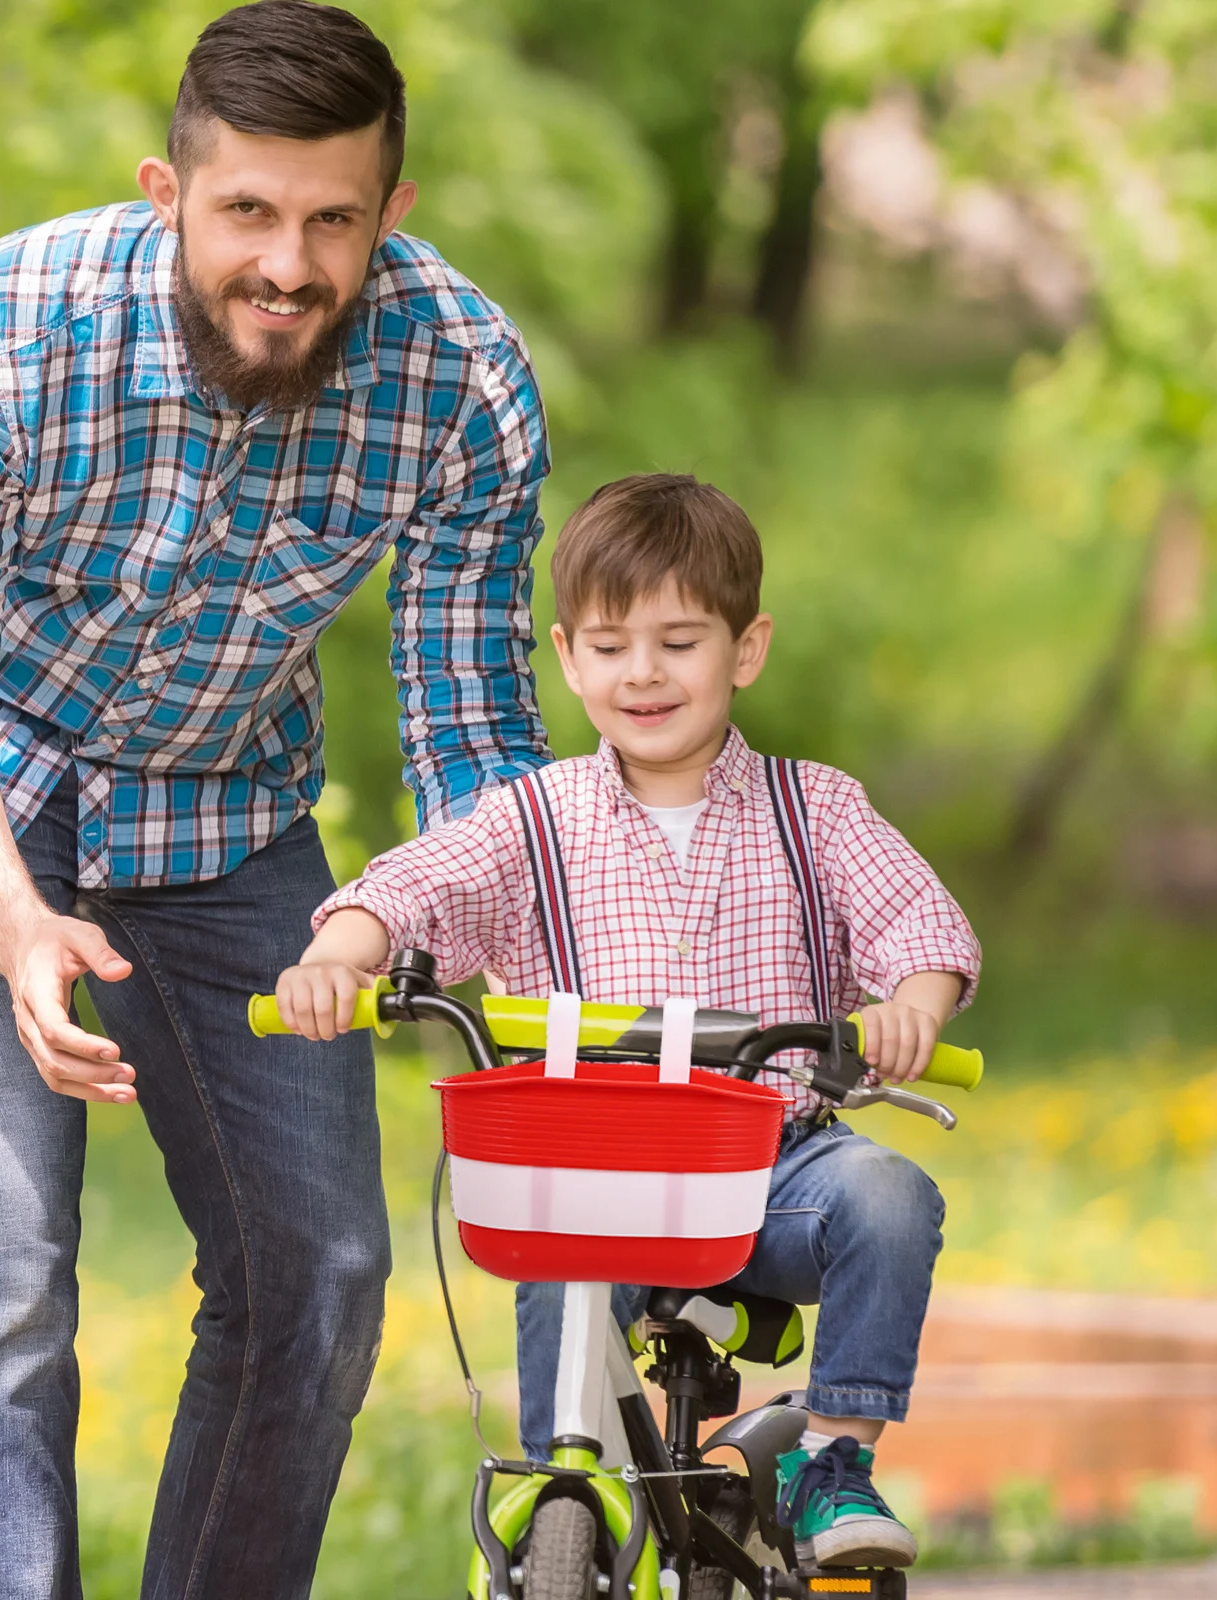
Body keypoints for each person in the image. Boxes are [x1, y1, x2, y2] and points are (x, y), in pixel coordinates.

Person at [0, 3, 551, 1595]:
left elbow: (469, 725)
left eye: (332, 221)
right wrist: (16, 921)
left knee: (324, 1273)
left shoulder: (463, 384)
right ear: (169, 193)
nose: (287, 264)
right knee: (9, 1250)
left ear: (392, 213)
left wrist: (516, 944)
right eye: (247, 212)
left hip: (228, 800)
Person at [274, 472, 982, 1570]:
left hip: (767, 1172)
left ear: (745, 650)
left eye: (679, 642)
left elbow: (920, 927)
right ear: (568, 657)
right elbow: (418, 886)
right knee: (558, 1261)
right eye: (610, 646)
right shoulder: (534, 818)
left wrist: (908, 1010)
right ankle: (566, 1490)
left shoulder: (817, 809)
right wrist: (339, 956)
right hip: (589, 1177)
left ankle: (831, 1460)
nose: (643, 672)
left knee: (888, 1194)